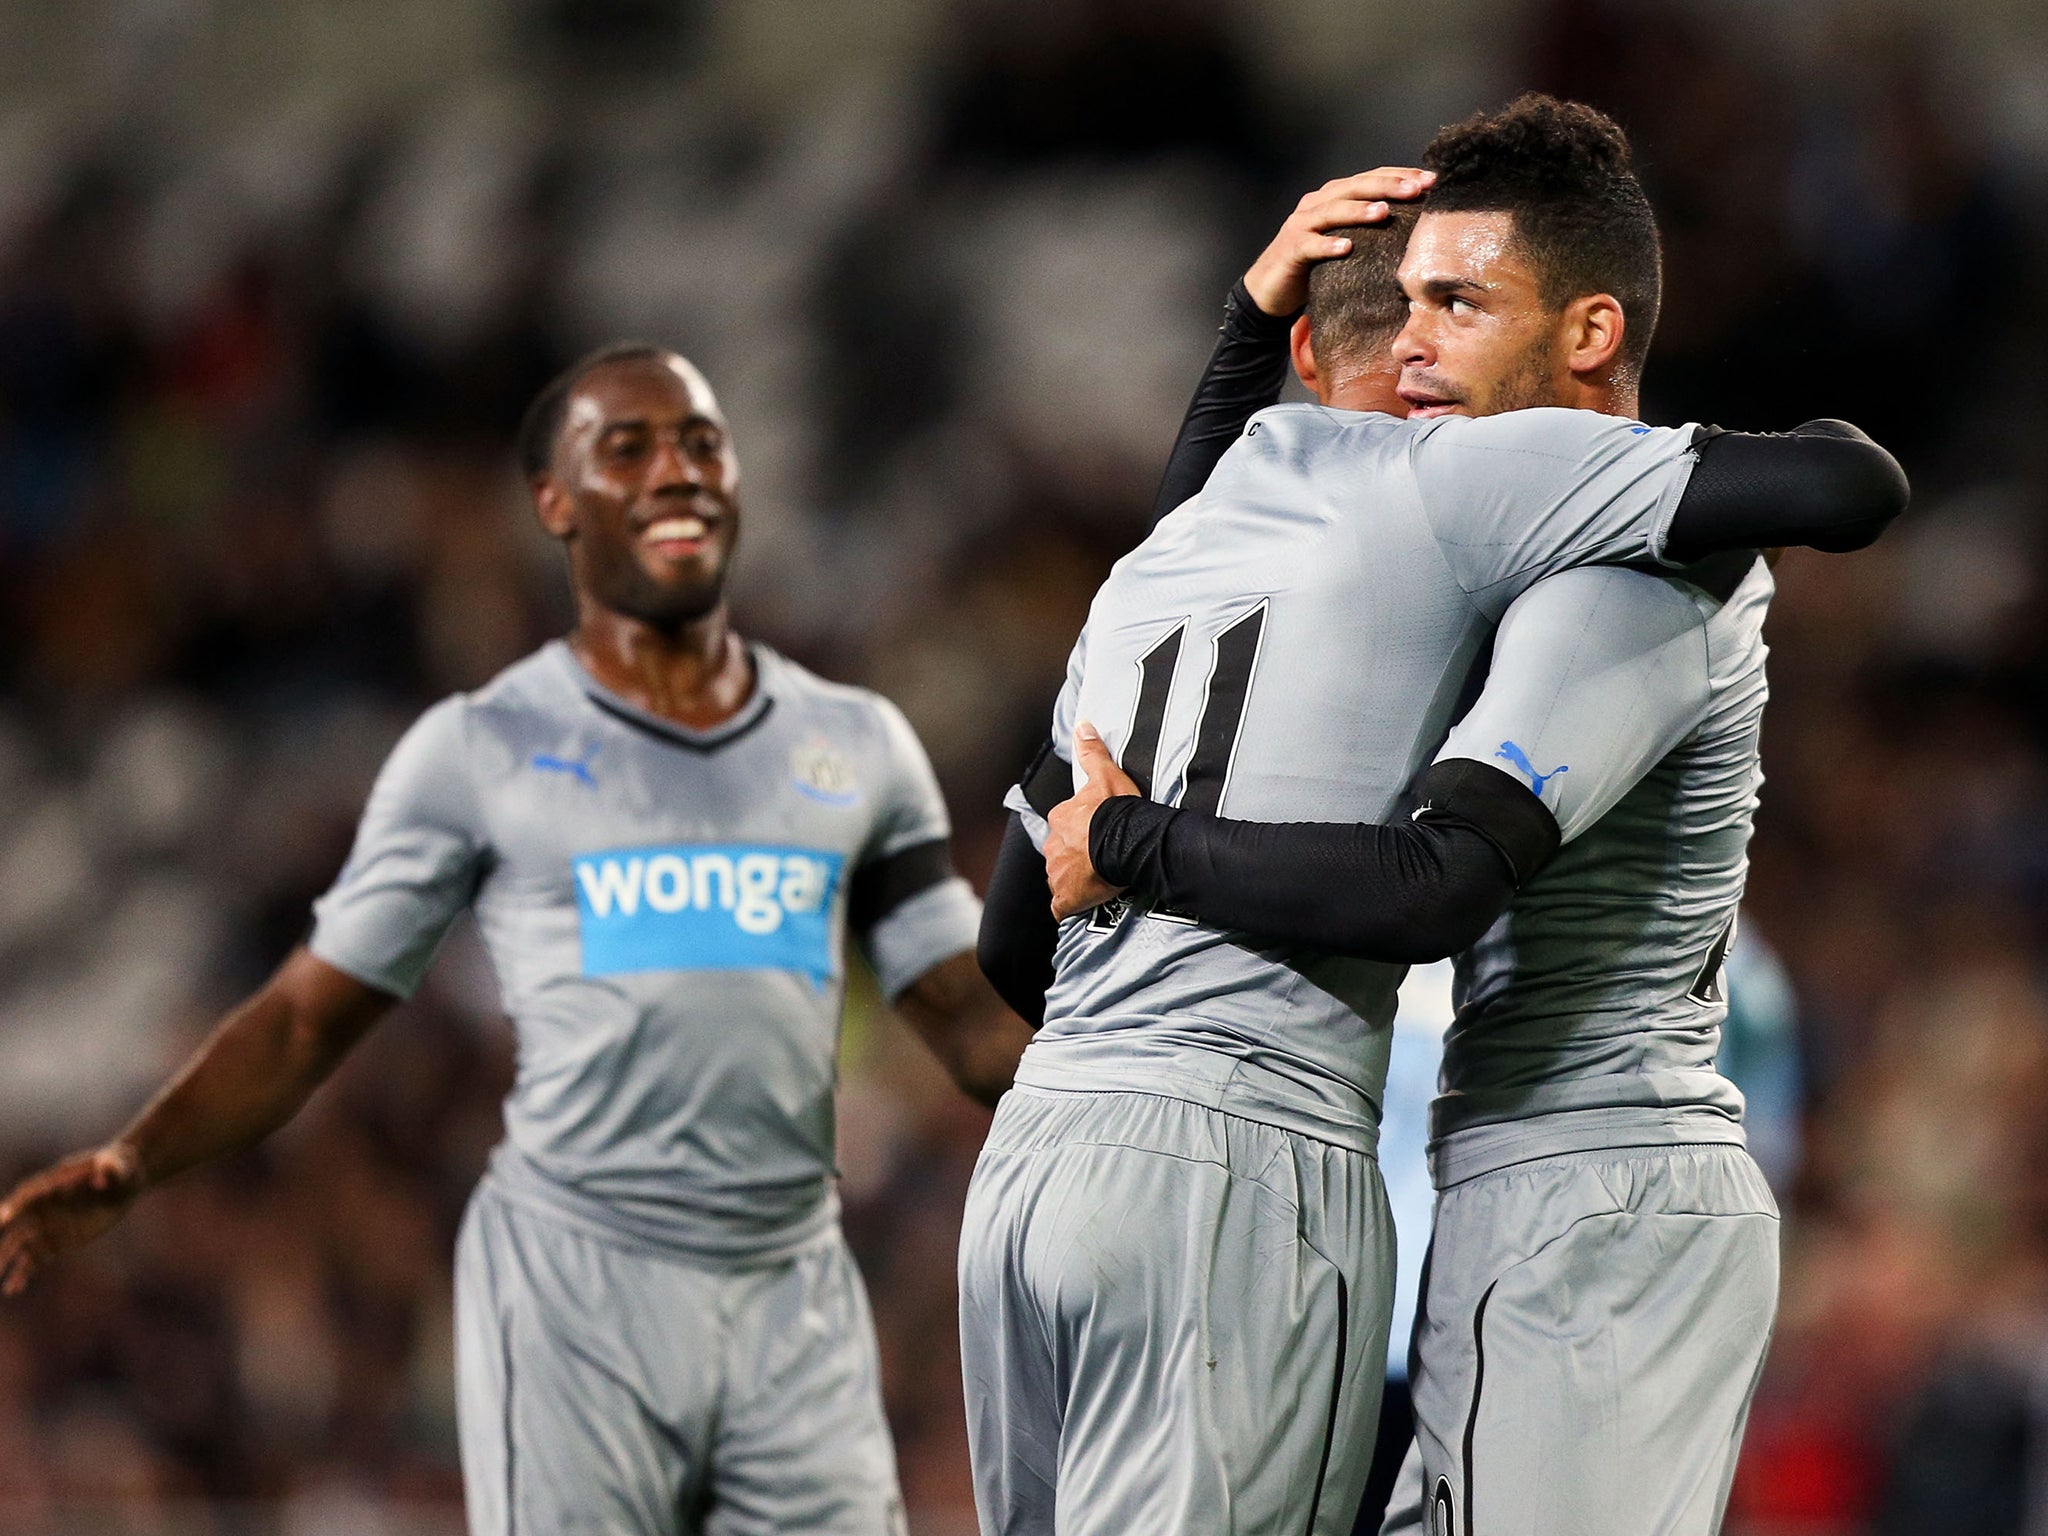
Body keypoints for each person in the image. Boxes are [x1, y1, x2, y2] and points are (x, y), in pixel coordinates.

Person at [968, 98, 1906, 1536]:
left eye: (1456, 304)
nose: (1413, 348)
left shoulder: (1630, 566)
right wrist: (1239, 336)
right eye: (1400, 305)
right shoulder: (1438, 535)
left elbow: (1438, 879)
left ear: (1588, 335)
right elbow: (1214, 567)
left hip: (1592, 1172)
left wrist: (1129, 847)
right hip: (1487, 1167)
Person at [0, 344, 1034, 1536]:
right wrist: (138, 1158)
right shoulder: (478, 753)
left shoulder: (851, 746)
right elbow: (300, 1019)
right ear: (556, 503)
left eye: (700, 447)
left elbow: (964, 1020)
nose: (676, 478)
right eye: (630, 451)